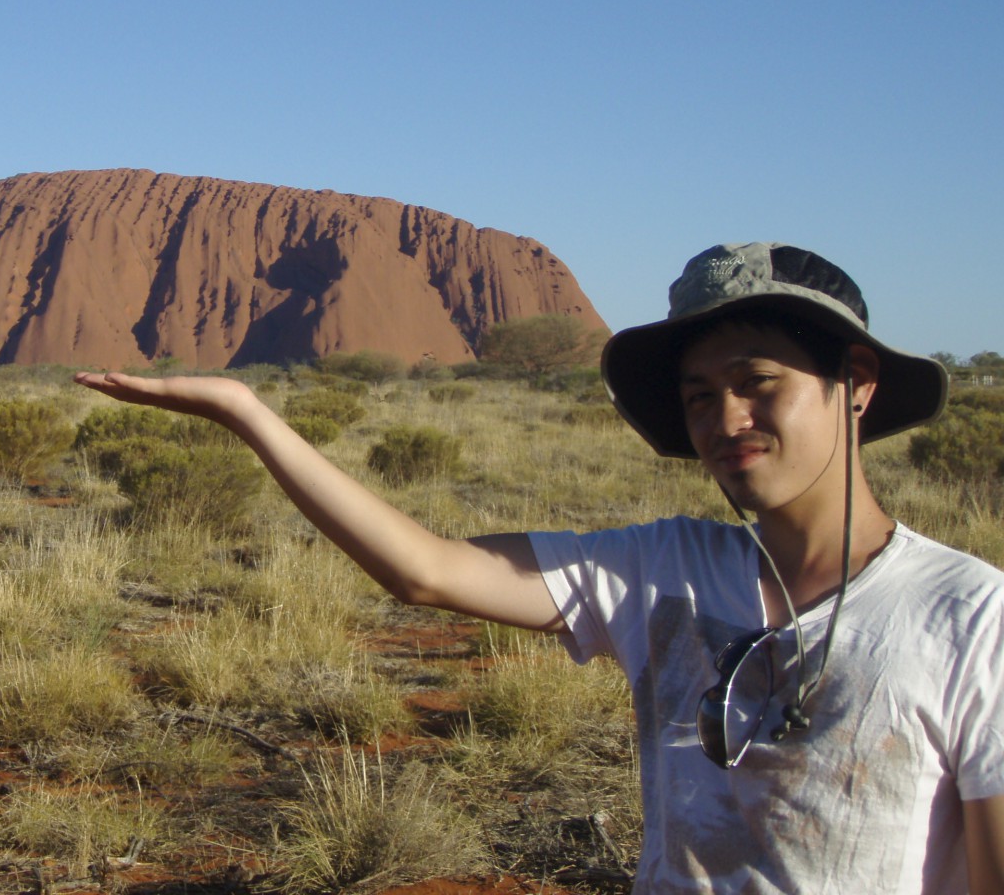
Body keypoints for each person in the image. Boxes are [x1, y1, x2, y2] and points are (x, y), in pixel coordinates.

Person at [75, 242, 1004, 894]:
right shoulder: (663, 568)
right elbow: (427, 572)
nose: (725, 423)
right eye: (697, 397)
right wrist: (249, 415)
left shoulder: (969, 618)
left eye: (759, 384)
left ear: (857, 384)